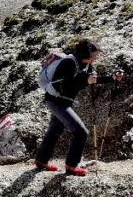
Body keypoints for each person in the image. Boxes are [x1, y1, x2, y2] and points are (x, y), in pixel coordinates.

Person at [34, 39, 124, 176]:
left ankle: (41, 160)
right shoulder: (68, 63)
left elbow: (92, 79)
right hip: (57, 100)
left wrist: (112, 78)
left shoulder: (86, 65)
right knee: (81, 132)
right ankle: (71, 166)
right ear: (86, 54)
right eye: (95, 54)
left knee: (54, 130)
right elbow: (65, 86)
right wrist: (84, 81)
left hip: (62, 101)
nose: (96, 57)